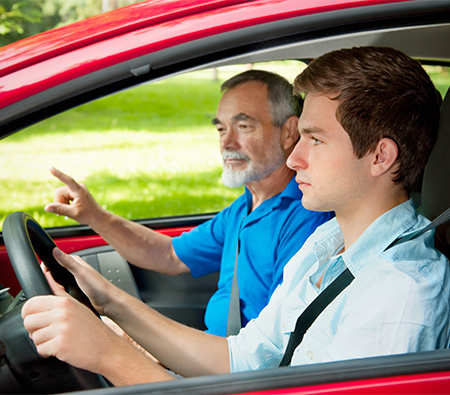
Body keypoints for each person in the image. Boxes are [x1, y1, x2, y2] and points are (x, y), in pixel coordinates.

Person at [22, 46, 450, 387]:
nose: (295, 157)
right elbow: (242, 359)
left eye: (315, 139)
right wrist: (109, 303)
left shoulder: (400, 295)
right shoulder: (328, 249)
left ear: (380, 156)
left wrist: (109, 355)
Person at [43, 70, 333, 337]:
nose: (227, 143)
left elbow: (272, 346)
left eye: (243, 126)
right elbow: (169, 255)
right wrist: (95, 215)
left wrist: (134, 341)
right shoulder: (245, 207)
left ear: (288, 132)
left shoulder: (307, 216)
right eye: (221, 129)